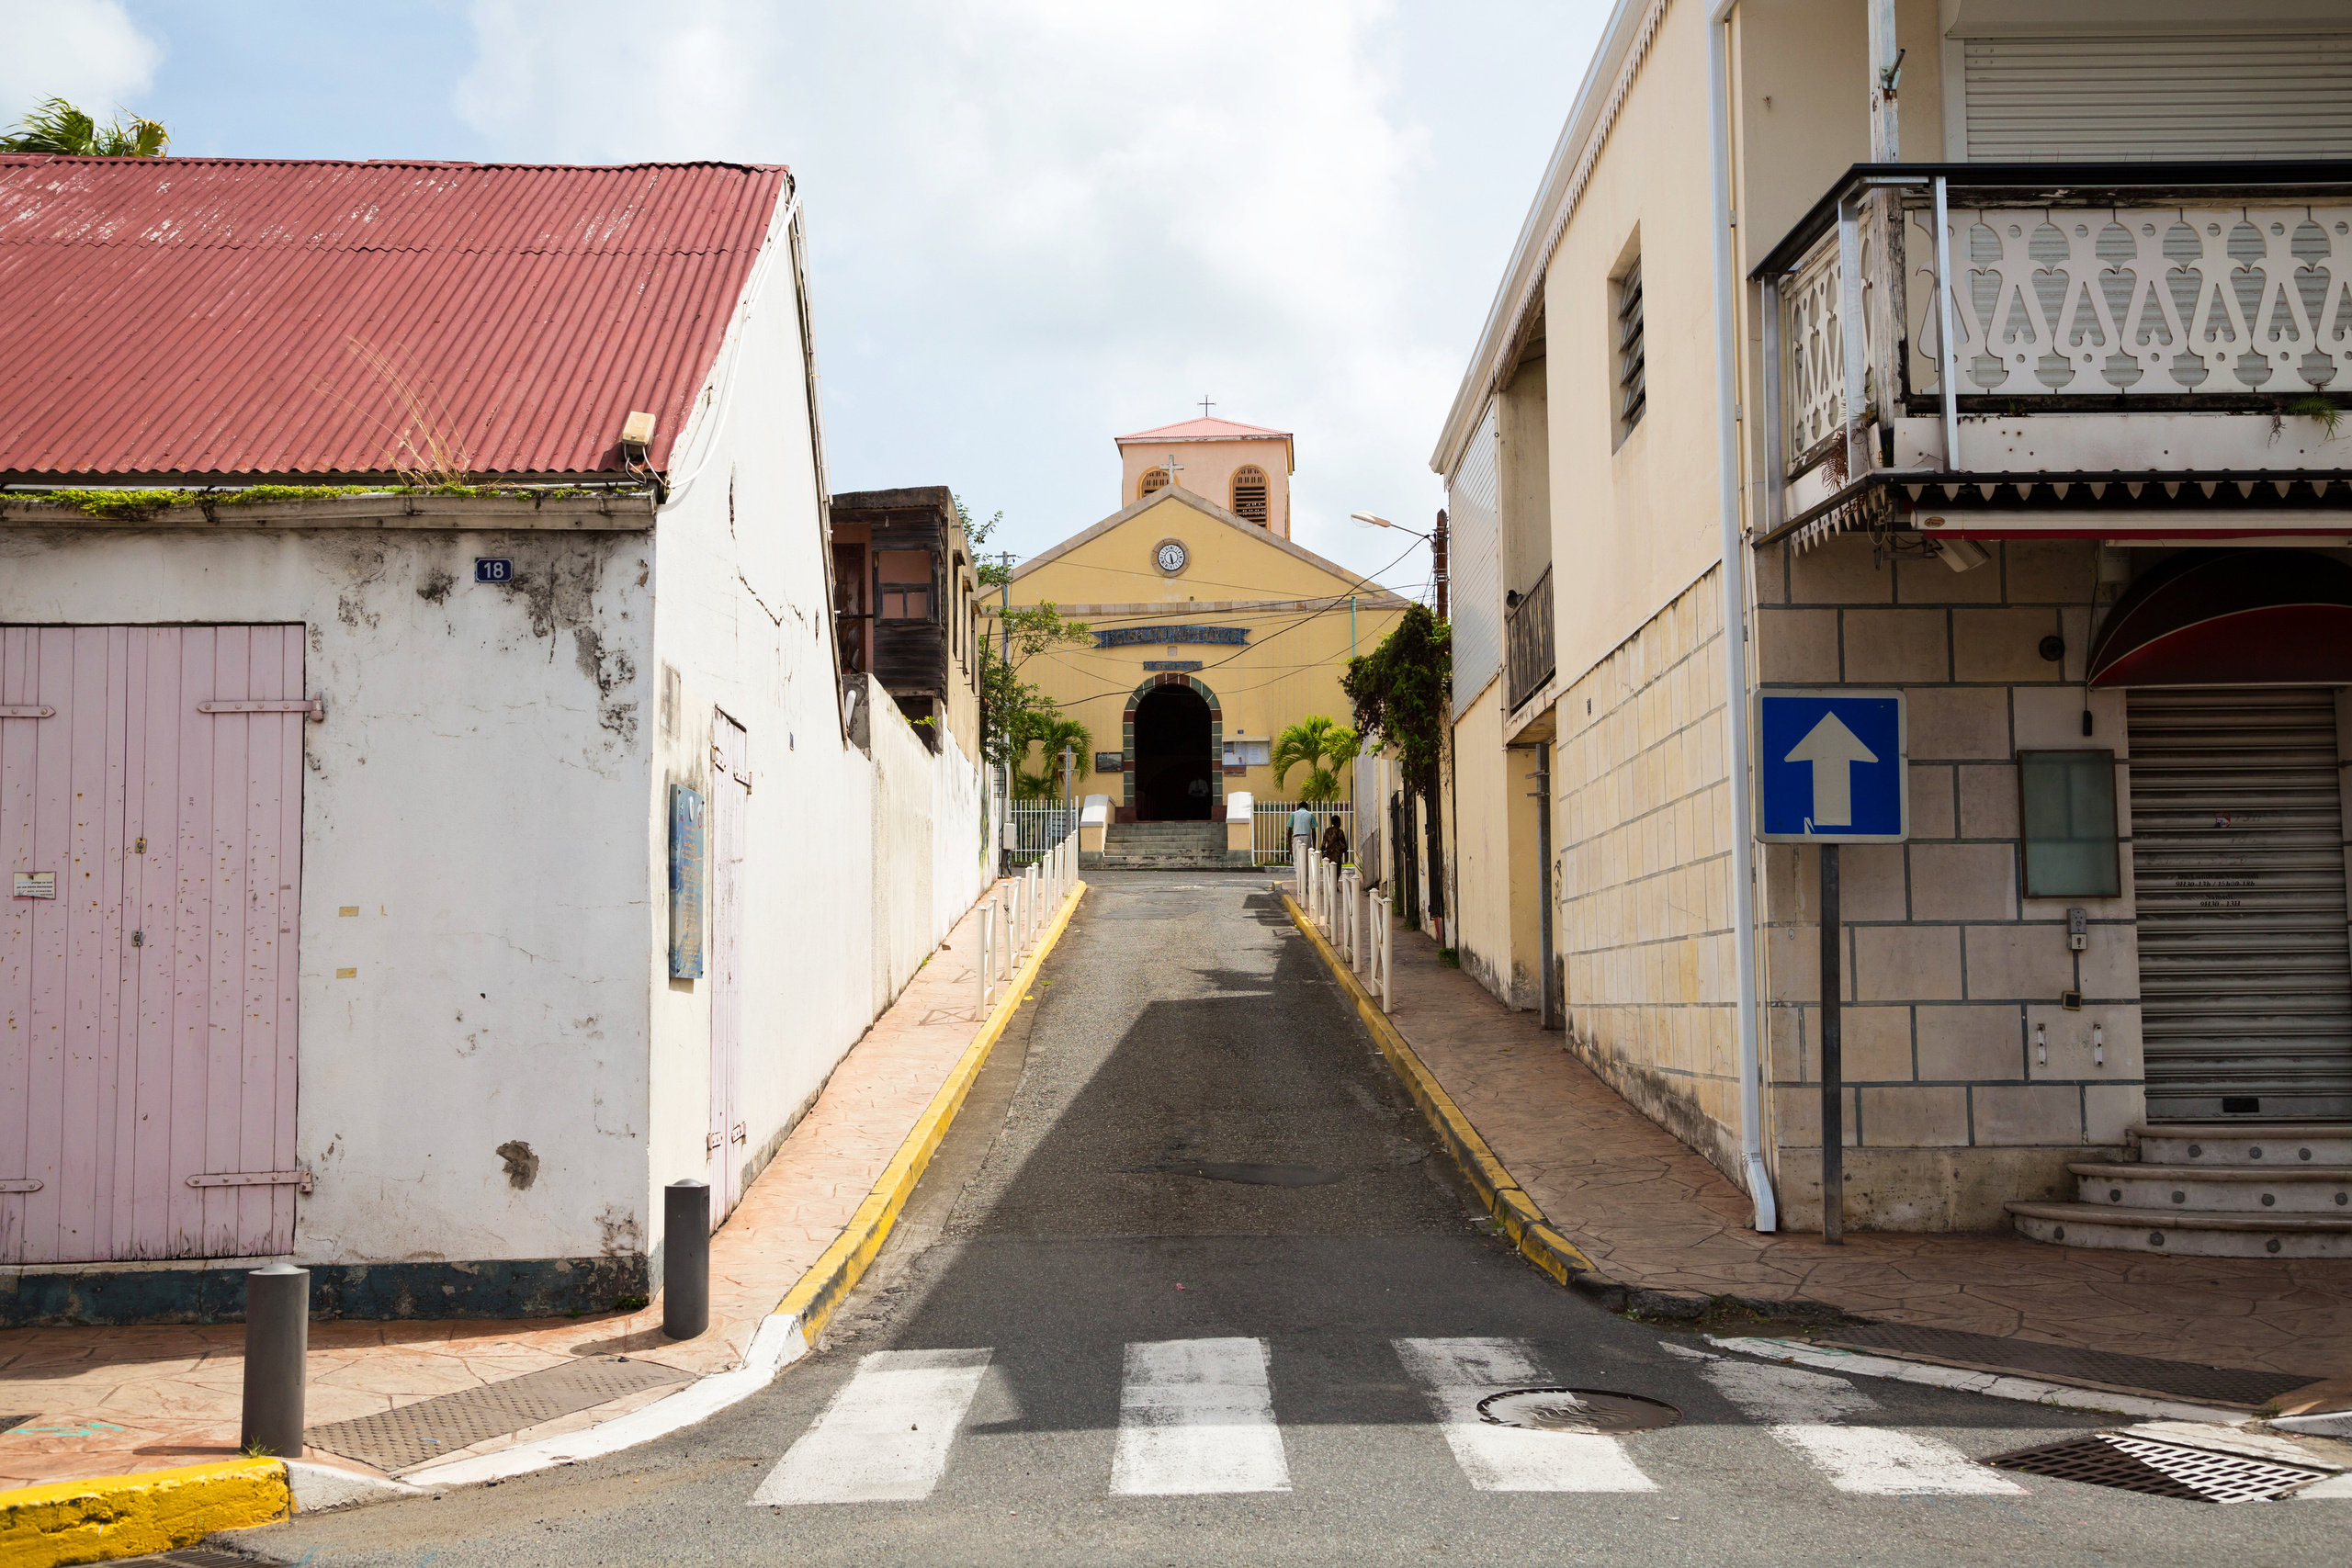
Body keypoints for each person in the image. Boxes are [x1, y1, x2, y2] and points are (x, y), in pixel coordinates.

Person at [1288, 801, 1316, 876]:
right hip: (1307, 837)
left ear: (1298, 807)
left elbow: (1289, 830)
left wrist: (1290, 845)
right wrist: (1314, 845)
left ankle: (1299, 877)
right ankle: (1305, 881)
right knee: (1306, 859)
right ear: (1307, 807)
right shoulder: (1310, 815)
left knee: (1297, 858)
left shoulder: (1293, 814)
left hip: (1296, 837)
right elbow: (1313, 831)